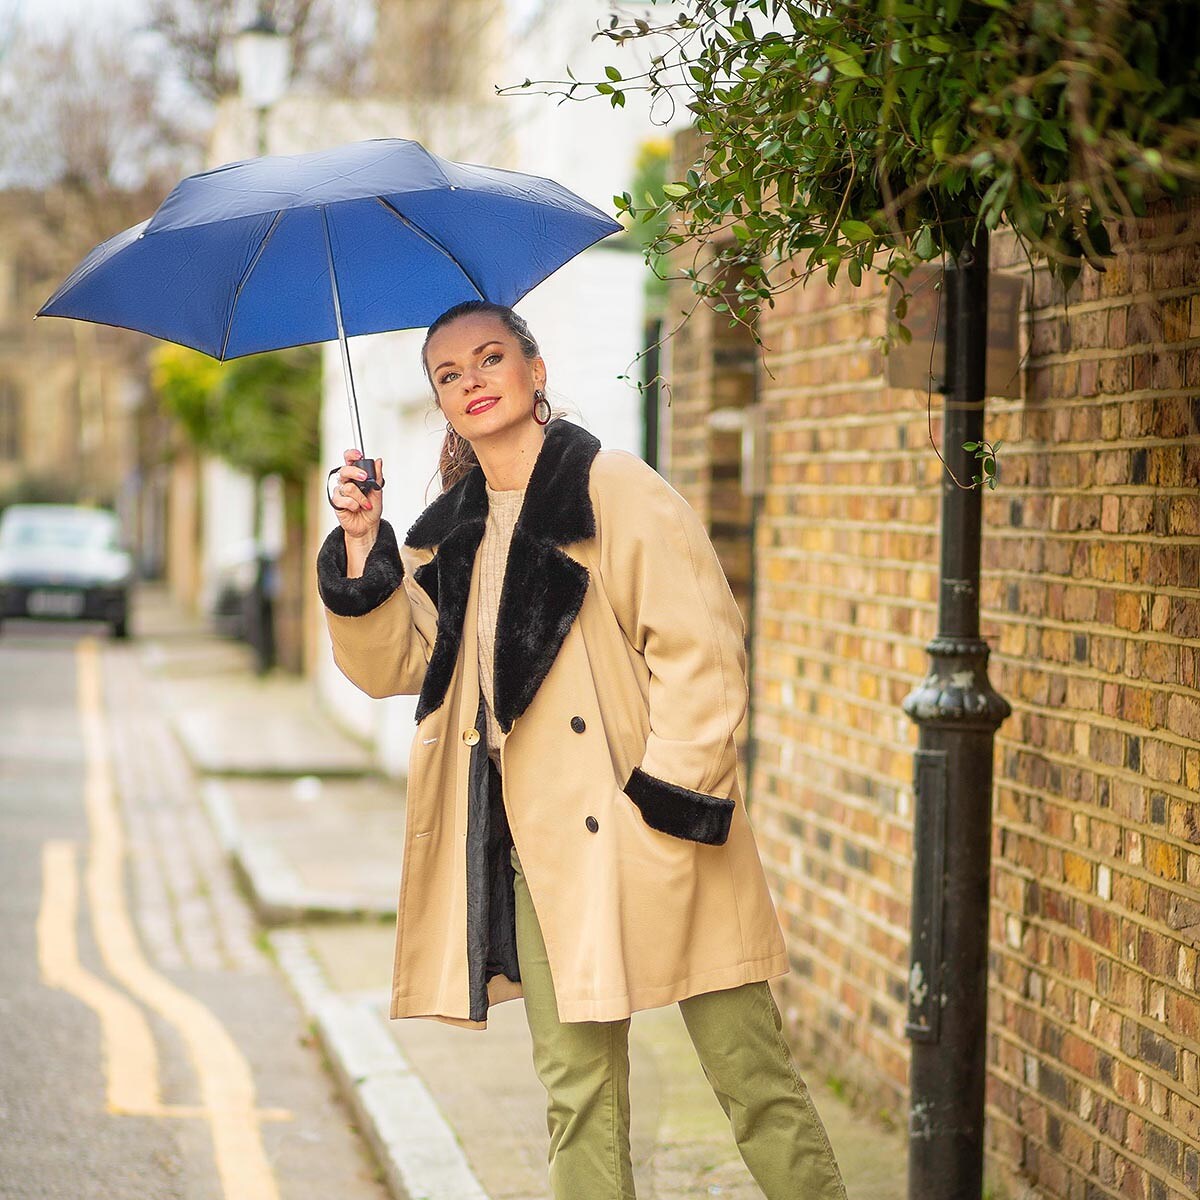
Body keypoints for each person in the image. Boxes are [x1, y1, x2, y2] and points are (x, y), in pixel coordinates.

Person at [317, 299, 847, 1200]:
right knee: (578, 1097)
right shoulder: (449, 532)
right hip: (540, 855)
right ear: (439, 404)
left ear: (536, 370)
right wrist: (364, 546)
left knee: (752, 1080)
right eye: (449, 374)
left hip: (659, 831)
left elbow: (703, 653)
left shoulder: (614, 490)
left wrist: (666, 801)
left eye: (490, 359)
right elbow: (396, 664)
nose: (472, 382)